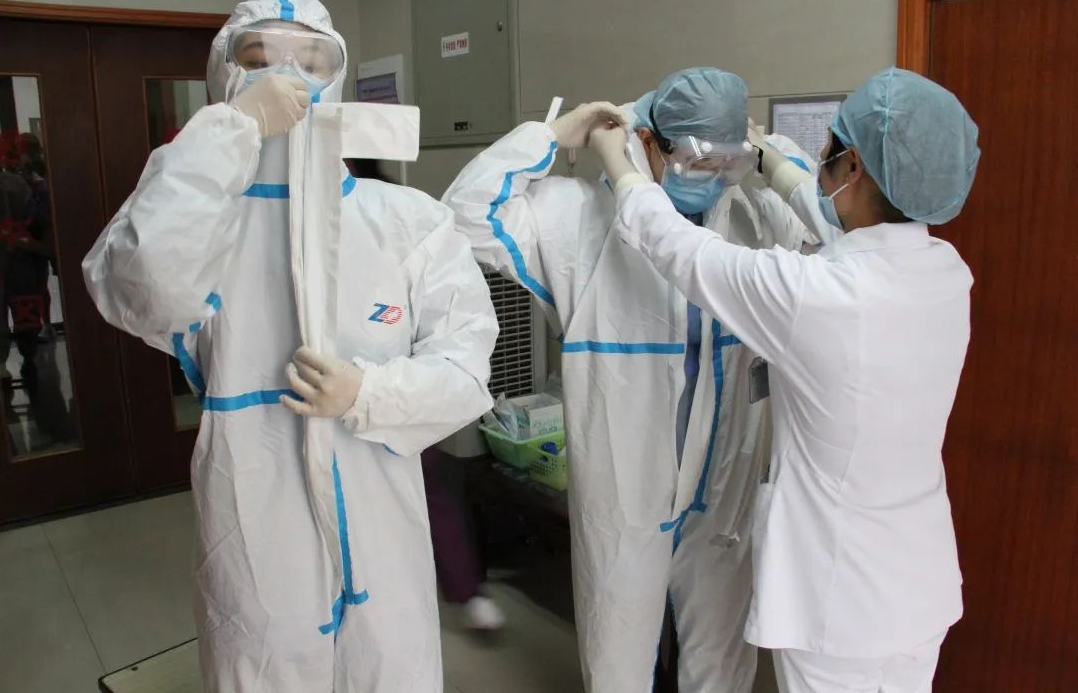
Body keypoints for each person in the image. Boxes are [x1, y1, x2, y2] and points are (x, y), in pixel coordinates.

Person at [82, 0, 498, 693]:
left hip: (381, 522)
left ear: (338, 76)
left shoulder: (408, 221)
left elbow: (467, 367)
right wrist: (231, 130)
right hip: (255, 515)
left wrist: (370, 392)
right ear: (224, 78)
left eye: (312, 60)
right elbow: (140, 284)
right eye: (259, 60)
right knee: (265, 667)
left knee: (390, 672)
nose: (289, 76)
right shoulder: (202, 223)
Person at [589, 66, 980, 693]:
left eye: (829, 149)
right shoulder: (945, 272)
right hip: (917, 586)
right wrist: (773, 164)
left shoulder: (815, 295)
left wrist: (624, 168)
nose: (819, 159)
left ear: (853, 166)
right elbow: (850, 231)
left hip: (837, 601)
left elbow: (681, 250)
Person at [443, 68, 815, 692]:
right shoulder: (578, 217)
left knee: (721, 656)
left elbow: (830, 224)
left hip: (724, 478)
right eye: (696, 159)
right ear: (647, 140)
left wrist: (771, 154)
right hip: (626, 485)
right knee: (619, 652)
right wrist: (551, 136)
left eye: (726, 161)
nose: (710, 175)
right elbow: (464, 215)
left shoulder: (750, 215)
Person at [347, 157, 506, 633]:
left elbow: (459, 356)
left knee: (429, 492)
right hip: (321, 418)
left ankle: (465, 590)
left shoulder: (398, 215)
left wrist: (375, 391)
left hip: (399, 400)